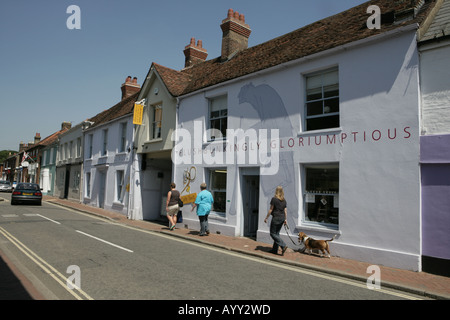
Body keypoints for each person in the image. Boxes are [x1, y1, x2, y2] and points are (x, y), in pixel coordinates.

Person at [264, 186, 288, 255]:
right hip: (282, 218)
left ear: (276, 191)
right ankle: (274, 250)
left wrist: (266, 217)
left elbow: (271, 209)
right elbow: (285, 211)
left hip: (276, 218)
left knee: (272, 233)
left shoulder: (274, 199)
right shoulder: (284, 200)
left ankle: (283, 245)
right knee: (276, 234)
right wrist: (285, 219)